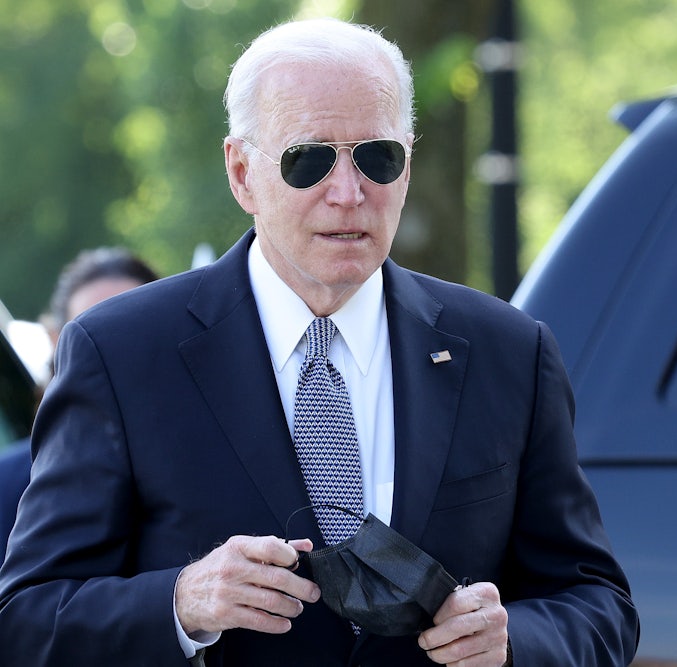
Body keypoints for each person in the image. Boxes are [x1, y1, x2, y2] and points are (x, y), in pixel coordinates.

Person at [0, 17, 639, 666]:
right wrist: (182, 603)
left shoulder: (508, 352)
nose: (348, 192)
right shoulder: (121, 354)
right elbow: (25, 618)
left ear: (408, 165)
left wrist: (513, 641)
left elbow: (598, 604)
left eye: (377, 157)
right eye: (308, 159)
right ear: (242, 171)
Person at [0, 247, 157, 560]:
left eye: (133, 330)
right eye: (92, 333)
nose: (114, 353)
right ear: (57, 340)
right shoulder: (8, 488)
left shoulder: (210, 457)